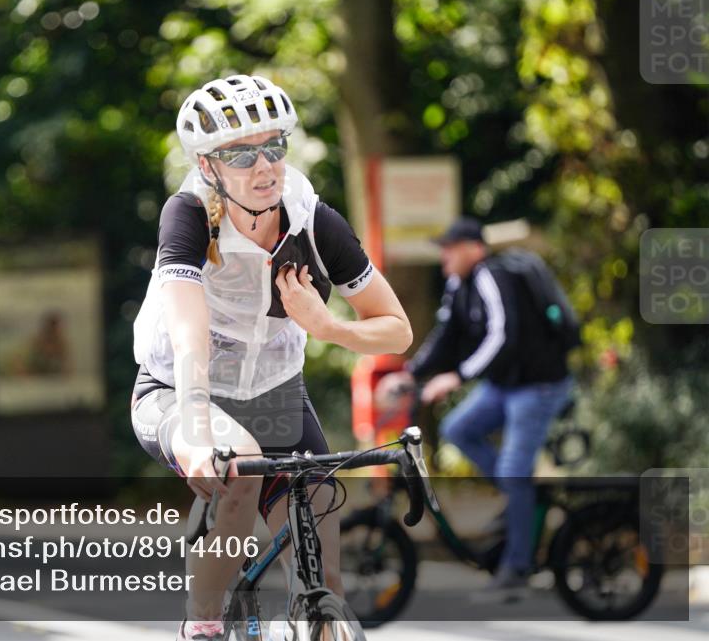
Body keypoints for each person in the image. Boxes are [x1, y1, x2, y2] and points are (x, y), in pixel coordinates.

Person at [130, 74, 412, 640]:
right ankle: (203, 625)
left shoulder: (313, 221)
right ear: (208, 166)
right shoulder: (188, 215)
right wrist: (197, 427)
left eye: (274, 147)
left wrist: (327, 326)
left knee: (324, 567)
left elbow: (397, 331)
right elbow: (188, 334)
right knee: (238, 469)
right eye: (241, 154)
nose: (264, 167)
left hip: (275, 392)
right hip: (178, 390)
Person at [379, 216, 573, 600]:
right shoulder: (458, 284)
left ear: (475, 249)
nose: (444, 256)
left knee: (514, 469)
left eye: (451, 249)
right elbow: (446, 336)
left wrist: (458, 376)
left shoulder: (490, 277)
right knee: (458, 429)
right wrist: (410, 374)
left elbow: (503, 336)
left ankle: (517, 569)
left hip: (539, 386)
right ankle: (520, 499)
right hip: (504, 385)